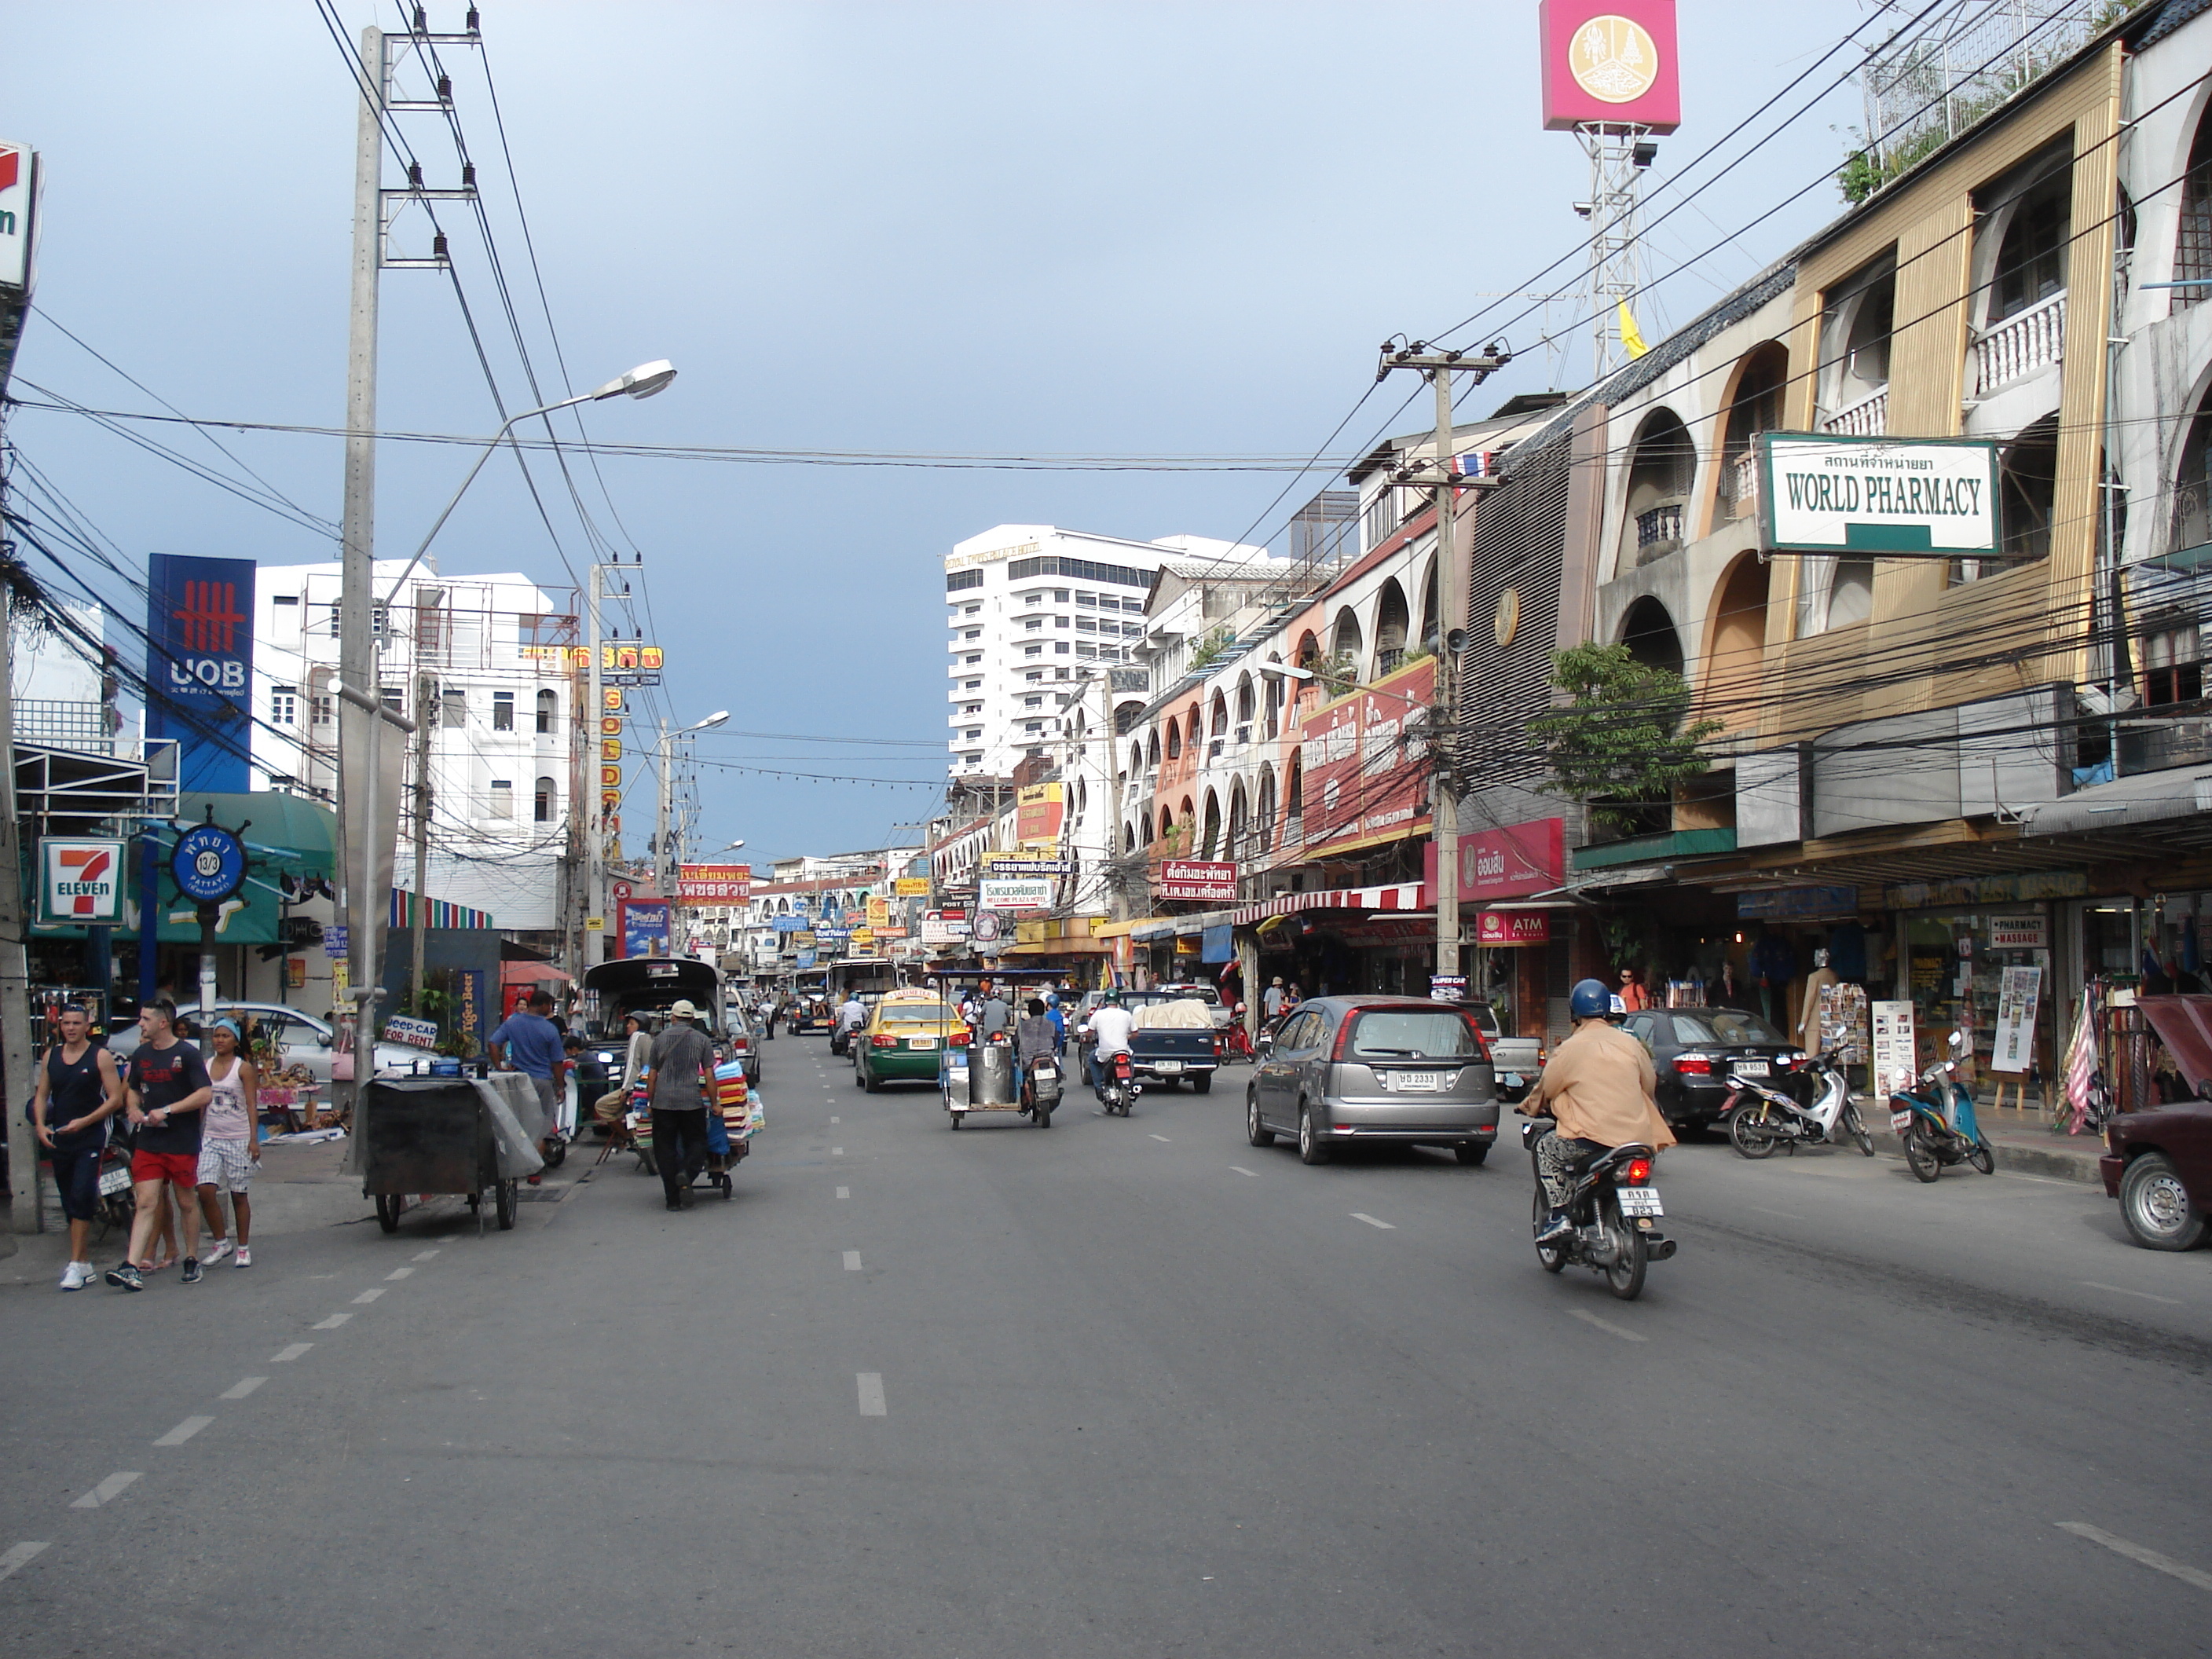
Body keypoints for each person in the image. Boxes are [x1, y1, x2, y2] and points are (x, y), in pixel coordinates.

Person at [1525, 978, 1675, 1246]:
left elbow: (1546, 1089)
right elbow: (1649, 1084)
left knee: (1545, 1150)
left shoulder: (1569, 1049)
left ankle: (1560, 1216)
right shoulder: (1631, 1044)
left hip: (1592, 1139)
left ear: (1574, 1013)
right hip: (1637, 1139)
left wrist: (1529, 1106)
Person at [108, 1000, 214, 1290]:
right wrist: (132, 1108)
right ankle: (131, 1265)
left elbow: (204, 1094)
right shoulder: (141, 1054)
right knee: (145, 1202)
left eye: (145, 1019)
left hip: (181, 1140)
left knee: (185, 1201)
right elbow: (132, 1089)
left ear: (162, 1022)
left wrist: (168, 1110)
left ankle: (191, 1257)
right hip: (149, 1140)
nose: (140, 1024)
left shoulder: (187, 1054)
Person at [31, 1003, 126, 1291]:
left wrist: (85, 1122)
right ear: (60, 1026)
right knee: (68, 1199)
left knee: (83, 1192)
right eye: (66, 1023)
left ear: (87, 1026)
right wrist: (39, 1124)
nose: (71, 1028)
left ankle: (75, 1263)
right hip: (61, 1137)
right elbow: (41, 1095)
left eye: (76, 1023)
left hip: (92, 1136)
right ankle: (83, 1263)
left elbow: (114, 1099)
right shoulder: (52, 1056)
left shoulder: (100, 1057)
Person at [194, 1017, 259, 1269]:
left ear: (235, 1040)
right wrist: (196, 1135)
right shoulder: (205, 1066)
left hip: (238, 1138)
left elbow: (252, 1104)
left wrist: (254, 1140)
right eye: (216, 1036)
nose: (219, 1041)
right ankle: (221, 1242)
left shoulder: (243, 1069)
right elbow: (201, 1102)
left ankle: (243, 1247)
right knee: (205, 1190)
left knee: (238, 1194)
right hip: (211, 1137)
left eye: (225, 1036)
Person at [646, 998, 717, 1210]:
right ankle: (687, 1172)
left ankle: (673, 1201)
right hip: (691, 1101)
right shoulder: (702, 1040)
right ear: (693, 1019)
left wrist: (651, 1102)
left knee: (665, 1149)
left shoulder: (659, 1039)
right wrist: (716, 1103)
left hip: (663, 1103)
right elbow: (710, 1076)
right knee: (697, 1142)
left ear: (673, 1018)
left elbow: (652, 1076)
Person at [490, 991, 566, 1172]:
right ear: (544, 1005)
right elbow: (557, 1063)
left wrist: (499, 1067)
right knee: (541, 1126)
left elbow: (493, 1043)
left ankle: (517, 1164)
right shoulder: (549, 1029)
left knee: (520, 1123)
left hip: (518, 1082)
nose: (550, 1009)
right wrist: (561, 1087)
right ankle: (534, 1170)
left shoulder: (513, 1022)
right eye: (550, 1005)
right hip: (542, 1082)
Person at [594, 1013, 652, 1128]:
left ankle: (626, 1138)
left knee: (602, 1106)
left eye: (631, 1024)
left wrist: (626, 1089)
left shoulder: (637, 1037)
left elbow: (633, 1065)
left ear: (640, 1026)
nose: (627, 1026)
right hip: (647, 1085)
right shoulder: (648, 1039)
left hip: (638, 1087)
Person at [1088, 989, 1135, 1098]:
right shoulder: (1127, 1014)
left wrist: (1086, 1037)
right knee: (1132, 1056)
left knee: (1091, 1059)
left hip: (1105, 1053)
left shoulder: (1098, 1014)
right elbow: (1135, 1033)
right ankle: (1130, 1080)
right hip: (1123, 1051)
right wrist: (1128, 1037)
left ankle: (1100, 1087)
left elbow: (1089, 1032)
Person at [1015, 998, 1059, 1113]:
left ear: (1029, 1011)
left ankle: (1024, 1098)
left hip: (1028, 1061)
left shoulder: (1023, 1026)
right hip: (1047, 1058)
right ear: (1043, 1010)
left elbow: (1015, 1041)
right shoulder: (1051, 1025)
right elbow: (1056, 1040)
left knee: (1019, 1075)